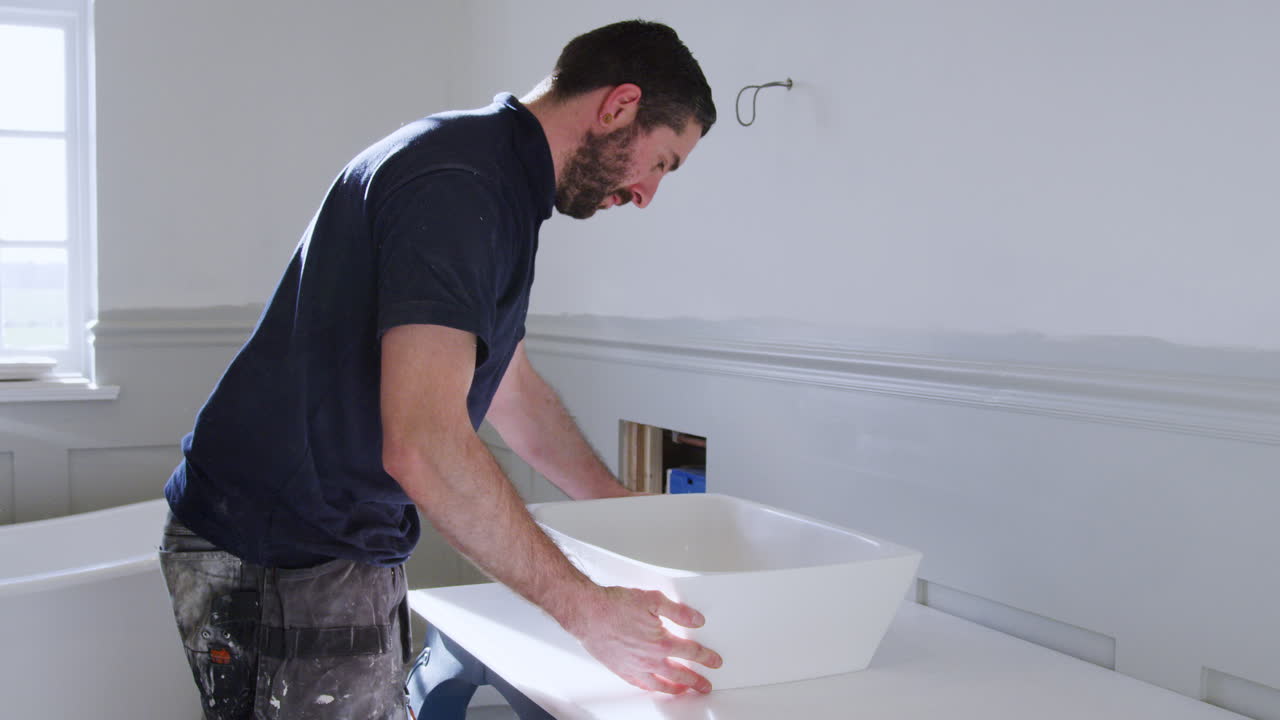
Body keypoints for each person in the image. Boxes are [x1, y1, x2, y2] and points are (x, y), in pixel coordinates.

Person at [158, 19, 721, 720]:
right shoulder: (462, 185)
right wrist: (589, 612)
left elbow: (509, 389)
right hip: (284, 551)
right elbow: (424, 442)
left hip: (326, 543)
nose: (647, 194)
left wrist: (611, 502)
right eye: (661, 162)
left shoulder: (495, 182)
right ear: (618, 107)